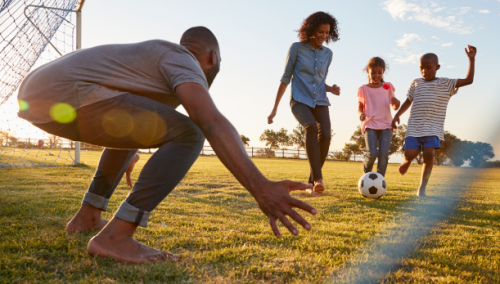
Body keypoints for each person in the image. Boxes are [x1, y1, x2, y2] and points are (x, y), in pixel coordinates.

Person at [17, 27, 318, 263]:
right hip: (65, 92)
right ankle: (115, 238)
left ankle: (88, 216)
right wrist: (260, 186)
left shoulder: (156, 65)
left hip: (39, 96)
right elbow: (209, 120)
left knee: (147, 128)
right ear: (212, 57)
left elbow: (128, 119)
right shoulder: (180, 57)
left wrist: (129, 145)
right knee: (190, 133)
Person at [267, 12, 341, 196]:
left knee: (325, 134)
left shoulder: (328, 54)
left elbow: (318, 81)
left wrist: (331, 88)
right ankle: (318, 179)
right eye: (320, 32)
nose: (323, 36)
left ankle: (312, 182)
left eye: (327, 33)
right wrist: (275, 108)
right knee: (310, 127)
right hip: (299, 100)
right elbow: (286, 78)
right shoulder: (296, 49)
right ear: (310, 30)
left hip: (321, 101)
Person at [392, 45, 477, 197]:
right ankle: (407, 160)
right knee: (410, 153)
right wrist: (397, 115)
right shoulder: (416, 83)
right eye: (421, 68)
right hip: (414, 127)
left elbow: (469, 80)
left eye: (428, 67)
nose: (424, 71)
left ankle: (422, 188)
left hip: (433, 128)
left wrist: (471, 59)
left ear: (437, 67)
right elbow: (407, 101)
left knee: (429, 154)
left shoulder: (446, 83)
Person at [358, 57, 400, 177]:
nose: (377, 75)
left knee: (383, 154)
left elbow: (395, 107)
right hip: (370, 124)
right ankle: (366, 177)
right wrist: (360, 114)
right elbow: (360, 107)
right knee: (371, 154)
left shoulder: (388, 87)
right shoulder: (363, 89)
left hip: (386, 125)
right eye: (373, 72)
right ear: (368, 71)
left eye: (380, 73)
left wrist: (397, 102)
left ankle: (380, 179)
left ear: (383, 72)